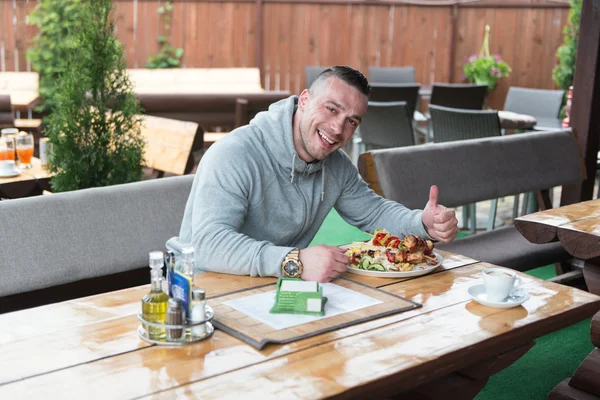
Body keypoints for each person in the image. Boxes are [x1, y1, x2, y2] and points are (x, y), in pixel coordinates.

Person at [179, 66, 458, 282]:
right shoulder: (235, 153)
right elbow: (208, 244)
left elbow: (373, 213)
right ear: (304, 100)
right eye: (331, 109)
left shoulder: (336, 165)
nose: (338, 128)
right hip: (205, 289)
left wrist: (421, 222)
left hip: (273, 285)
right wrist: (295, 261)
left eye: (351, 121)